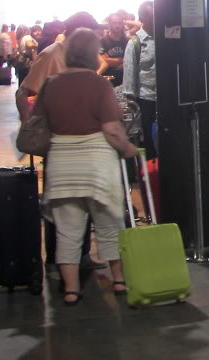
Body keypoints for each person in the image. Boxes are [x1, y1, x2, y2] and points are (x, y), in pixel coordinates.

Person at [33, 28, 137, 305]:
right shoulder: (99, 84)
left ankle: (70, 289)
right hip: (97, 164)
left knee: (68, 232)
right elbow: (112, 130)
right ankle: (118, 281)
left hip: (62, 163)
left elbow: (39, 120)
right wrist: (128, 149)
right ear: (92, 53)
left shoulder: (51, 84)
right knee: (110, 226)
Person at [17, 11, 109, 277]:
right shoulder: (51, 54)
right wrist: (30, 125)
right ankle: (57, 262)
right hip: (58, 142)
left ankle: (80, 256)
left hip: (85, 140)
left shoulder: (81, 56)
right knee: (60, 205)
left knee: (83, 203)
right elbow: (24, 91)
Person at [123, 1, 157, 159]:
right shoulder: (135, 43)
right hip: (146, 100)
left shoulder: (165, 37)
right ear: (143, 18)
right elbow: (129, 74)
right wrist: (132, 101)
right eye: (152, 15)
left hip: (166, 98)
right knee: (150, 141)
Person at [100, 13, 129, 87]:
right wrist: (123, 61)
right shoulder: (102, 41)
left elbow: (130, 61)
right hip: (109, 81)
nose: (117, 25)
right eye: (114, 23)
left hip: (124, 81)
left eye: (119, 23)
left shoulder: (126, 41)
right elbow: (103, 61)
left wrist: (110, 60)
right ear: (109, 24)